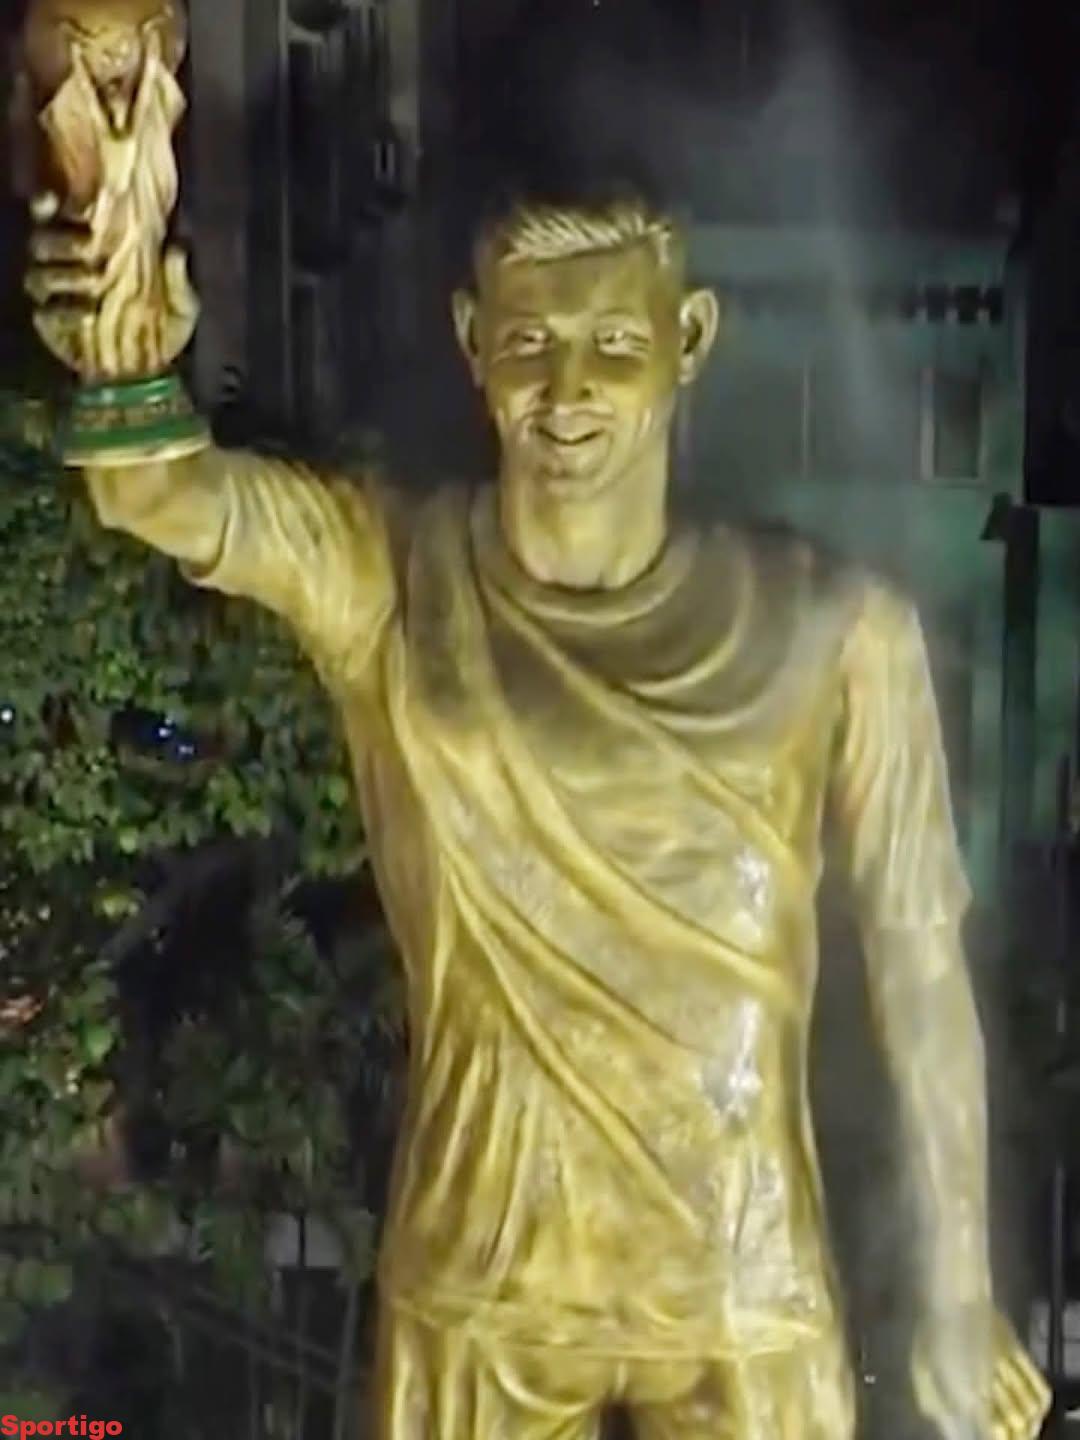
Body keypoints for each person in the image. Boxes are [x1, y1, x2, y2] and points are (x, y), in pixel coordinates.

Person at [26, 188, 1051, 1440]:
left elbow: (921, 971)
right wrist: (122, 354)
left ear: (689, 338)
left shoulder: (840, 632)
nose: (567, 392)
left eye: (614, 345)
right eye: (529, 344)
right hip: (483, 1278)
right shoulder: (394, 577)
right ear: (474, 342)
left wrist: (958, 1289)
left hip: (743, 1283)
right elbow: (163, 494)